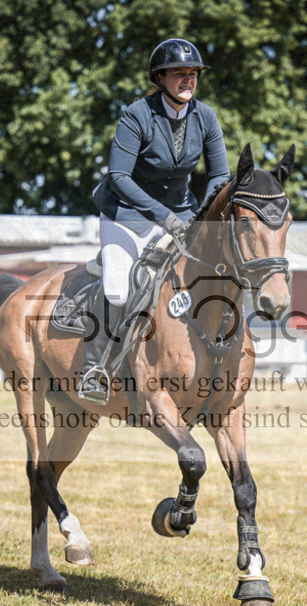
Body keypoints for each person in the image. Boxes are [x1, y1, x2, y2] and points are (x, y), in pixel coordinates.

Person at [81, 37, 229, 403]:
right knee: (119, 287)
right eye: (179, 73)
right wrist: (164, 217)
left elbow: (220, 176)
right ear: (159, 78)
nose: (188, 80)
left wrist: (202, 216)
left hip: (181, 213)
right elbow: (119, 176)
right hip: (125, 214)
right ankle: (94, 368)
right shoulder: (137, 115)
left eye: (193, 73)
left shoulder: (206, 117)